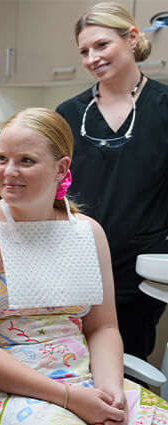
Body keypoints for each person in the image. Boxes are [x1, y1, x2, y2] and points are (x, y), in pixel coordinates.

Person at [0, 107, 168, 425]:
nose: (8, 171)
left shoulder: (87, 232)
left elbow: (103, 327)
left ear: (61, 169)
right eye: (2, 158)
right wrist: (69, 399)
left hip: (83, 381)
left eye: (26, 160)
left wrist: (110, 390)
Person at [56, 2, 168, 363]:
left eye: (101, 45)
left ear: (132, 39)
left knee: (127, 364)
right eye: (84, 51)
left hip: (142, 269)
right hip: (74, 262)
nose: (92, 58)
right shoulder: (68, 114)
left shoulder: (164, 107)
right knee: (67, 363)